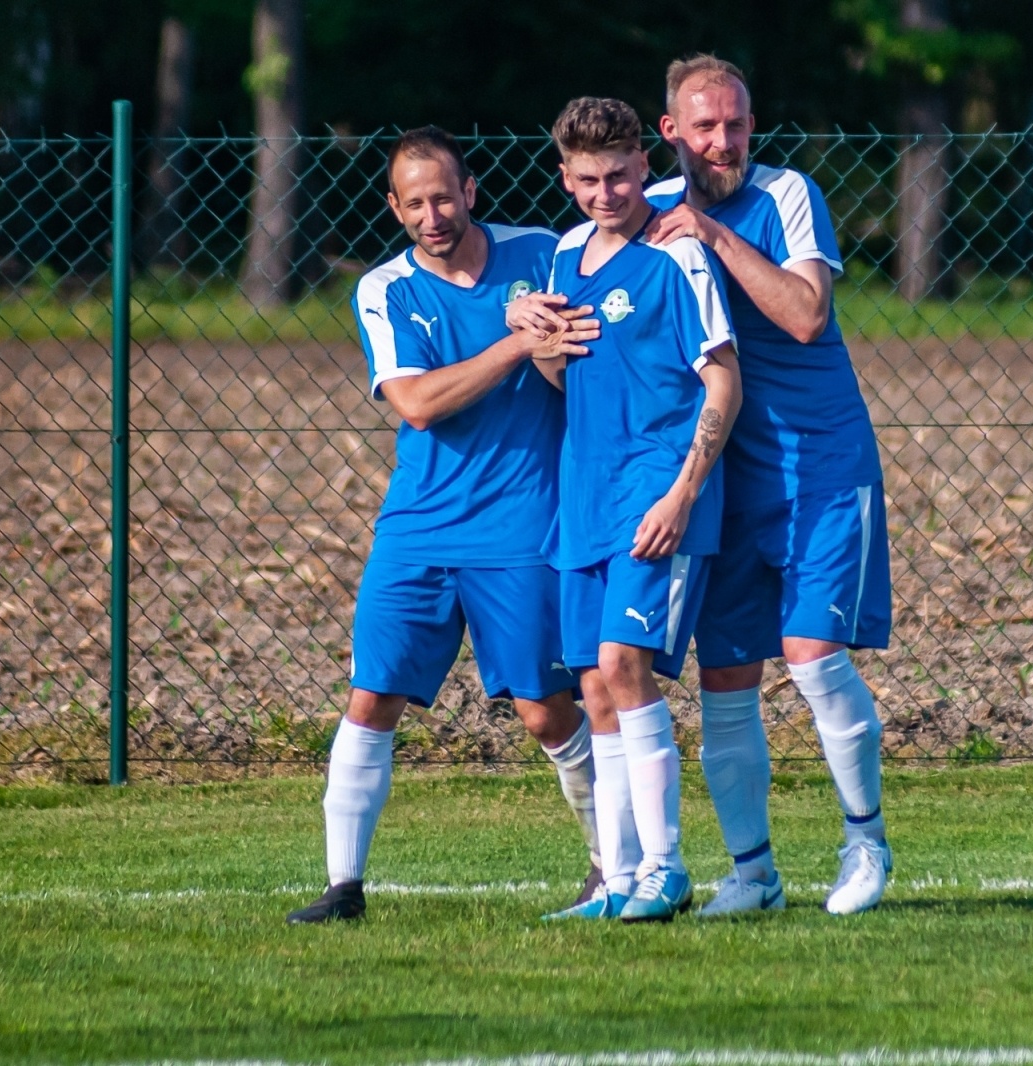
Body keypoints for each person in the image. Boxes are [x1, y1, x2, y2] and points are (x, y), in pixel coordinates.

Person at [287, 126, 604, 924]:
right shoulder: (384, 289)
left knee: (544, 708)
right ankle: (343, 887)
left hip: (525, 519)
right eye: (414, 201)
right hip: (419, 526)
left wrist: (553, 350)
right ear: (394, 208)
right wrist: (515, 343)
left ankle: (614, 867)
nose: (433, 213)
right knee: (372, 697)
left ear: (471, 192)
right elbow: (419, 404)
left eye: (444, 196)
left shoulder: (546, 252)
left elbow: (577, 360)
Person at [645, 55, 895, 917]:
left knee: (815, 659)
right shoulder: (643, 214)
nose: (724, 141)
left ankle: (866, 842)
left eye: (737, 123)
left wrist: (711, 234)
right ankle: (753, 874)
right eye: (705, 127)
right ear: (670, 130)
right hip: (723, 484)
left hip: (821, 468)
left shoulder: (787, 194)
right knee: (725, 685)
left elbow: (804, 313)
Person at [527, 97, 740, 924]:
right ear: (565, 177)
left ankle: (666, 867)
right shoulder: (566, 255)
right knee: (593, 684)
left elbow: (723, 378)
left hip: (658, 492)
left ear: (644, 165)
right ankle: (616, 879)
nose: (605, 192)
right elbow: (566, 373)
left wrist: (683, 492)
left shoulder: (677, 253)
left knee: (624, 664)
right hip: (585, 494)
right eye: (587, 179)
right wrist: (539, 344)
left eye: (619, 174)